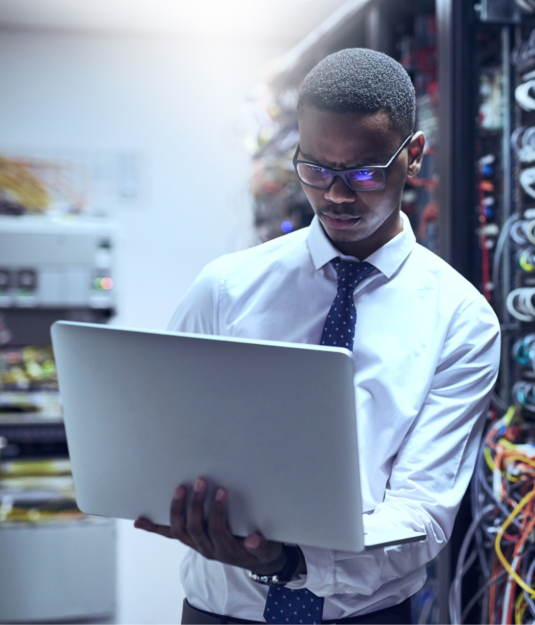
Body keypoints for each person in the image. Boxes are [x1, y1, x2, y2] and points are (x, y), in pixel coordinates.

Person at [134, 48, 501, 625]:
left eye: (364, 172)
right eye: (316, 169)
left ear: (415, 156)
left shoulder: (460, 319)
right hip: (219, 614)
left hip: (367, 618)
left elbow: (423, 514)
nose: (335, 194)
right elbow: (161, 435)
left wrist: (292, 561)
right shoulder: (226, 288)